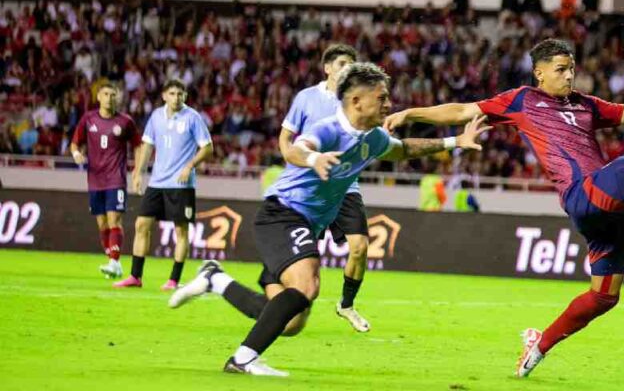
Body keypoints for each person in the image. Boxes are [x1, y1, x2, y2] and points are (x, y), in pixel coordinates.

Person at [384, 39, 624, 378]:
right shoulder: (521, 101)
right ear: (539, 72)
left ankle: (539, 345)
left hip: (606, 210)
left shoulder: (587, 105)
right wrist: (411, 113)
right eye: (560, 69)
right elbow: (462, 110)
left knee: (604, 296)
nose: (569, 75)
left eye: (572, 68)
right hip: (582, 194)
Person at [167, 63, 490, 376]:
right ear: (356, 101)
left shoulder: (372, 137)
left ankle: (215, 280)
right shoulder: (329, 130)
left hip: (305, 224)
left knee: (290, 321)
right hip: (283, 214)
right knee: (308, 284)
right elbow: (297, 148)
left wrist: (454, 142)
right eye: (381, 97)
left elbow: (401, 149)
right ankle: (242, 359)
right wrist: (313, 158)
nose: (389, 104)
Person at [277, 43, 373, 332]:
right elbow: (286, 139)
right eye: (343, 63)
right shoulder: (306, 98)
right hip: (310, 187)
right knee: (303, 260)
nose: (348, 69)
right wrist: (297, 160)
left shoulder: (356, 101)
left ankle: (346, 304)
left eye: (352, 65)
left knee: (360, 246)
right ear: (328, 68)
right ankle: (283, 299)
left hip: (345, 185)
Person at [114, 79, 214, 290]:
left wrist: (190, 166)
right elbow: (148, 145)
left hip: (181, 184)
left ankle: (174, 280)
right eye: (172, 93)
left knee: (181, 232)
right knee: (142, 225)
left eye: (180, 94)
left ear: (185, 96)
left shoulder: (193, 118)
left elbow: (207, 148)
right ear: (164, 96)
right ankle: (135, 276)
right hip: (157, 182)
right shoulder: (156, 116)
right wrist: (139, 171)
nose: (176, 97)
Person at [70, 79, 141, 279]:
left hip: (115, 178)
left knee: (114, 219)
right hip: (94, 179)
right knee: (102, 224)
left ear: (117, 97)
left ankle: (114, 261)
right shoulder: (88, 119)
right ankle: (113, 260)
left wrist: (137, 169)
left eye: (113, 95)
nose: (109, 98)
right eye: (106, 95)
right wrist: (76, 155)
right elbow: (75, 144)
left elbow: (138, 145)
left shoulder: (125, 121)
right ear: (98, 97)